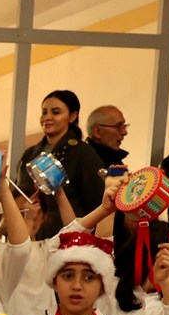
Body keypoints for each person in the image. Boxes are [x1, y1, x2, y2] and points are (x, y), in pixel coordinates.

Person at [14, 91, 106, 238]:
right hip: (31, 235)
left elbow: (96, 203)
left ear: (72, 116)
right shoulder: (30, 154)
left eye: (55, 112)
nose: (47, 117)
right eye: (44, 112)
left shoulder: (83, 153)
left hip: (67, 237)